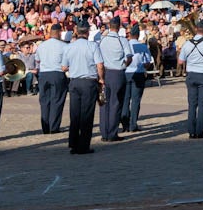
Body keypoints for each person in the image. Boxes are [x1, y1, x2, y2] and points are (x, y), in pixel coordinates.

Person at [63, 27, 102, 155]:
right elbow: (100, 65)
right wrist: (101, 78)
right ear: (87, 33)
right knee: (86, 114)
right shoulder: (93, 46)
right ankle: (84, 145)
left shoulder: (69, 47)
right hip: (88, 81)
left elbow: (63, 67)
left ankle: (73, 144)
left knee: (74, 114)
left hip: (74, 81)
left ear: (77, 33)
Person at [95, 18, 131, 142]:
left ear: (109, 26)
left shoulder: (103, 40)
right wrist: (125, 65)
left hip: (105, 72)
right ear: (119, 26)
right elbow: (129, 56)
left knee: (104, 103)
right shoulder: (122, 40)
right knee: (115, 103)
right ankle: (112, 133)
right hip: (118, 72)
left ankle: (104, 132)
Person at [180, 23, 203, 138]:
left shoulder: (187, 43)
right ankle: (200, 131)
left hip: (191, 74)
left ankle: (191, 131)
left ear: (196, 29)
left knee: (192, 104)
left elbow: (180, 61)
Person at [32, 23, 68, 134]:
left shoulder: (42, 45)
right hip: (57, 73)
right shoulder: (64, 46)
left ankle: (45, 127)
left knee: (44, 101)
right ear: (59, 32)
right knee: (57, 100)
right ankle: (54, 126)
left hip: (44, 74)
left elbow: (37, 60)